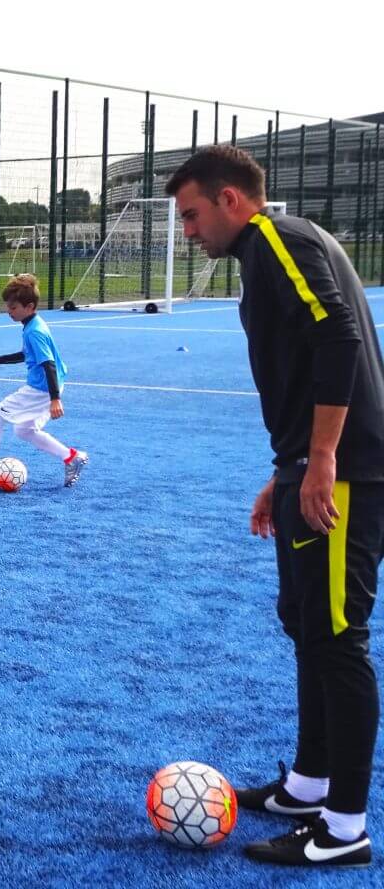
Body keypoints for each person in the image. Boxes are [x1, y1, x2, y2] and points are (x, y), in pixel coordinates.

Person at [166, 145, 384, 868]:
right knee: (305, 624)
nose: (189, 231)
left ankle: (344, 828)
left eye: (194, 215)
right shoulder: (275, 249)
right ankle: (306, 785)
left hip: (346, 473)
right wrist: (287, 468)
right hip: (312, 467)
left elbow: (338, 336)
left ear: (232, 200)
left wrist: (320, 460)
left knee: (337, 637)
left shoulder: (276, 240)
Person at [0, 273, 88, 487]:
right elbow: (27, 355)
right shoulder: (33, 324)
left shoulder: (34, 332)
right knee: (23, 430)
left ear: (29, 306)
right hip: (48, 386)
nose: (8, 312)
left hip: (40, 389)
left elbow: (47, 363)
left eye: (13, 308)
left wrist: (55, 399)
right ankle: (71, 457)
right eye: (8, 307)